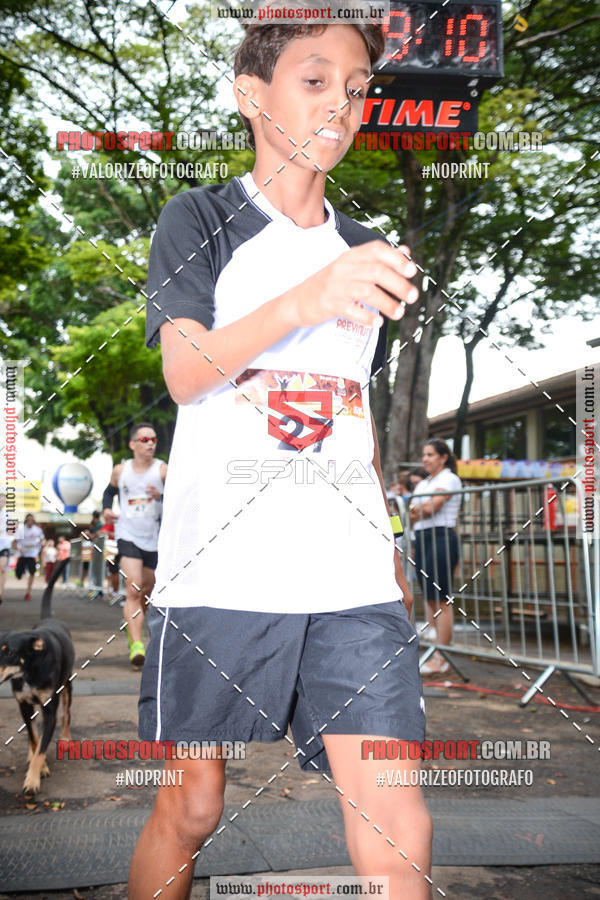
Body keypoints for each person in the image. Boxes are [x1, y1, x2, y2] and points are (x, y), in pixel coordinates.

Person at [129, 16, 431, 900]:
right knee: (189, 810)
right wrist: (307, 296)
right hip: (219, 574)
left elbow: (355, 413)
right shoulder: (200, 218)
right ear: (250, 94)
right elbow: (186, 371)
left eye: (359, 84)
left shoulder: (366, 248)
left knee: (397, 816)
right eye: (315, 77)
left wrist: (389, 552)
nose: (344, 99)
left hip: (349, 583)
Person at [102, 423, 167, 668]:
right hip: (127, 534)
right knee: (134, 589)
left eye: (154, 439)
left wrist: (161, 496)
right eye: (144, 438)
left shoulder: (162, 471)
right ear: (133, 444)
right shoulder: (121, 471)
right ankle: (138, 645)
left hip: (155, 537)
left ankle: (133, 634)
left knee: (146, 593)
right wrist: (107, 509)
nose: (150, 443)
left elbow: (182, 499)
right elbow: (108, 493)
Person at [409, 439, 462, 676]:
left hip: (441, 536)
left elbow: (430, 509)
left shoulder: (448, 479)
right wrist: (420, 509)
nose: (425, 459)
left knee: (441, 599)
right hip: (422, 538)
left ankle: (443, 657)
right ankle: (437, 653)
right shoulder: (425, 484)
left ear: (443, 457)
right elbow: (411, 514)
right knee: (430, 599)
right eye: (424, 454)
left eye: (430, 454)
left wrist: (418, 509)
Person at [12, 513, 45, 602]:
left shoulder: (37, 530)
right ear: (26, 520)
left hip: (32, 555)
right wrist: (19, 549)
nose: (30, 521)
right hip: (22, 555)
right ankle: (19, 574)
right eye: (28, 520)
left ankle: (28, 593)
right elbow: (14, 542)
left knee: (32, 573)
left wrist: (42, 544)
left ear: (33, 521)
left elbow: (43, 540)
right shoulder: (21, 529)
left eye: (32, 520)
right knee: (18, 575)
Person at [0, 492, 13, 604]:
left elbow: (13, 529)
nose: (2, 502)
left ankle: (0, 594)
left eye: (3, 501)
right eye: (0, 500)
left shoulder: (8, 514)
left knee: (2, 569)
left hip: (4, 546)